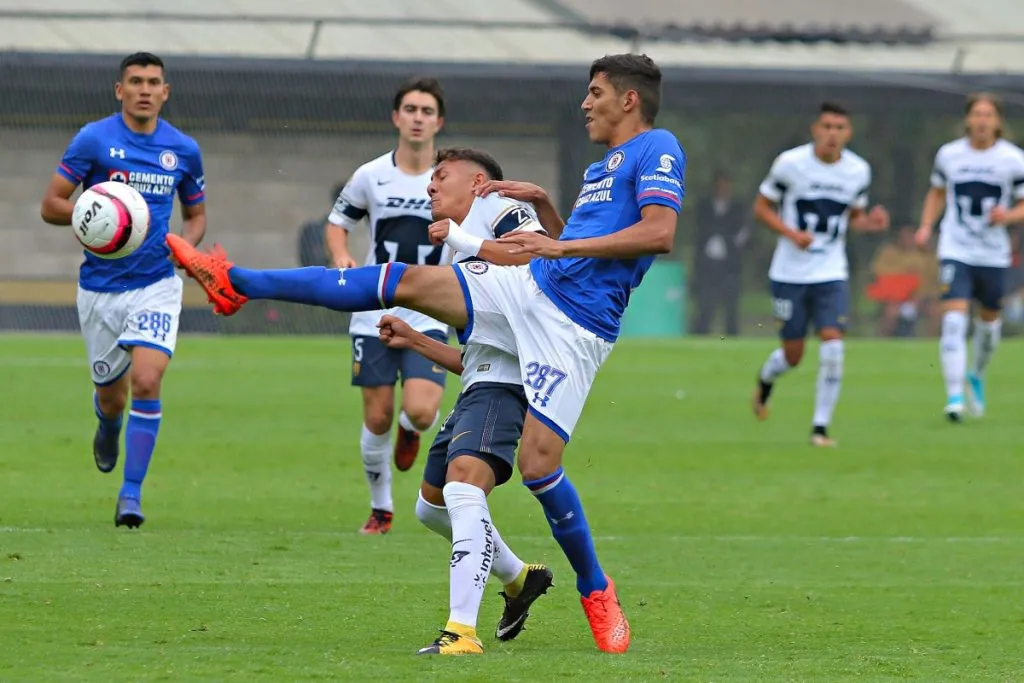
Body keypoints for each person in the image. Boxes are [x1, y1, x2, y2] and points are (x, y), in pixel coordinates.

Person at [168, 53, 685, 654]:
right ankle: (237, 282)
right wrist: (548, 212)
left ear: (628, 100)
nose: (584, 102)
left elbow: (658, 232)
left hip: (577, 325)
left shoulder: (659, 147)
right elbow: (569, 241)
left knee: (540, 465)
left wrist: (554, 247)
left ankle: (595, 587)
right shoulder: (602, 165)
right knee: (405, 279)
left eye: (595, 92)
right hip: (536, 288)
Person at [376, 147, 557, 655]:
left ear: (477, 182)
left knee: (462, 492)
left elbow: (538, 254)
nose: (431, 187)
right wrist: (415, 339)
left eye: (442, 176)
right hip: (480, 386)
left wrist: (462, 236)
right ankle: (520, 579)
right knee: (431, 509)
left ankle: (461, 632)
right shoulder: (458, 250)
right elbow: (472, 358)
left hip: (510, 387)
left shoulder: (497, 211)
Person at [40, 52, 207, 527]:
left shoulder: (184, 149)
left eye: (154, 82)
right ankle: (108, 424)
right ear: (120, 90)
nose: (145, 89)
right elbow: (51, 203)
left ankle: (130, 495)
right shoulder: (94, 139)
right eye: (135, 81)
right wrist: (94, 216)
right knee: (112, 397)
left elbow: (195, 216)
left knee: (148, 381)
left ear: (166, 92)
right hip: (100, 289)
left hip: (156, 283)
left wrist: (185, 247)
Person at [324, 77, 451, 535]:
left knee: (420, 411)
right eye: (410, 109)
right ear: (397, 118)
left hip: (431, 309)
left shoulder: (450, 178)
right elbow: (338, 223)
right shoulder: (371, 175)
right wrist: (340, 254)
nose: (418, 118)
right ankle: (381, 510)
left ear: (439, 121)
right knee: (375, 416)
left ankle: (410, 430)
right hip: (375, 310)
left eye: (426, 111)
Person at [751, 101, 890, 447]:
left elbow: (852, 217)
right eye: (826, 126)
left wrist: (869, 224)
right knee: (793, 354)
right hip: (789, 272)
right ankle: (766, 381)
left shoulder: (858, 170)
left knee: (833, 344)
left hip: (831, 271)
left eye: (839, 128)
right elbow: (761, 207)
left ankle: (820, 428)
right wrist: (790, 234)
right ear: (815, 129)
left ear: (849, 133)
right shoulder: (790, 164)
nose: (832, 134)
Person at [915, 92, 1024, 421]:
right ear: (967, 119)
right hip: (956, 247)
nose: (981, 121)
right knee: (953, 319)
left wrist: (1007, 217)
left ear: (998, 121)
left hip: (992, 253)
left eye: (988, 115)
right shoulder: (949, 155)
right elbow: (936, 193)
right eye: (976, 114)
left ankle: (975, 372)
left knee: (989, 325)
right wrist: (925, 227)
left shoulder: (1012, 159)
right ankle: (954, 397)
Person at [691, 170, 750, 336]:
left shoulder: (738, 207)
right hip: (707, 263)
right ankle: (700, 334)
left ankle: (731, 335)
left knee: (731, 303)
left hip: (729, 264)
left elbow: (742, 233)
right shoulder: (704, 206)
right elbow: (699, 230)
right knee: (705, 302)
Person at [866, 225, 940, 337]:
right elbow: (878, 270)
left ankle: (927, 342)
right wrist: (904, 271)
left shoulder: (927, 256)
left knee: (937, 310)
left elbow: (934, 278)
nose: (908, 240)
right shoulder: (889, 252)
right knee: (891, 311)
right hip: (895, 297)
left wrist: (919, 296)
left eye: (911, 236)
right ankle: (882, 340)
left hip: (922, 298)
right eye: (905, 236)